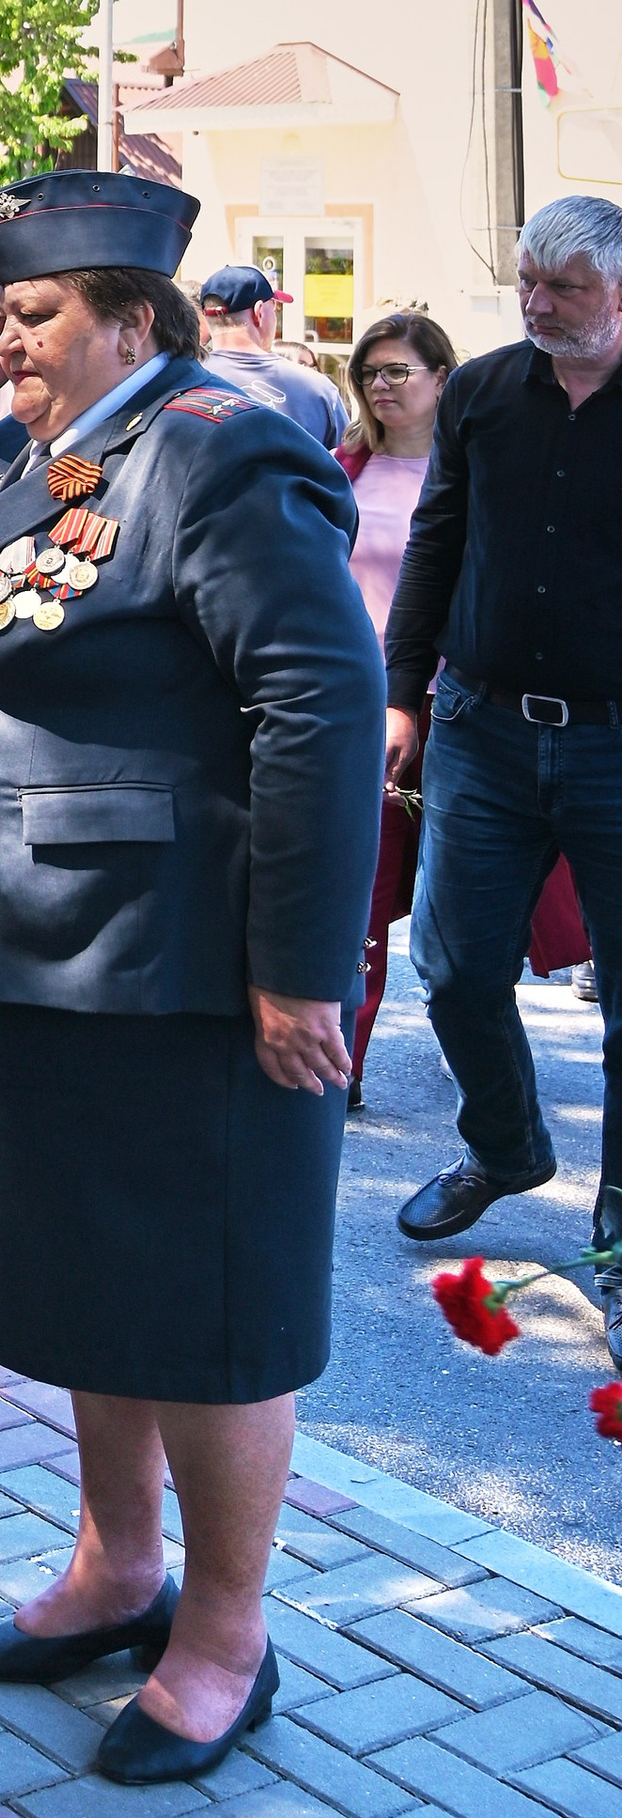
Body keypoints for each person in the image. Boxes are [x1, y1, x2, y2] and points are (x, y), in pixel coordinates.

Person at [0, 171, 381, 1784]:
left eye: (30, 314)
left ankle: (227, 1627)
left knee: (207, 1303)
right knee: (94, 1276)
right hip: (25, 940)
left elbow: (318, 707)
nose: (1, 334)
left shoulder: (224, 451)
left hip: (184, 961)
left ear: (135, 316)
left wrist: (302, 971)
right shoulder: (31, 447)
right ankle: (117, 1562)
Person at [383, 195, 622, 1366]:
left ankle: (617, 1235)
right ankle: (509, 1141)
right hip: (478, 727)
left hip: (616, 740)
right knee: (455, 964)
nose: (534, 303)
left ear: (618, 291)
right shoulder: (480, 390)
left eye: (560, 287)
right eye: (525, 280)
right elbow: (434, 538)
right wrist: (400, 691)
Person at [339, 308, 457, 1106]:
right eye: (370, 373)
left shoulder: (475, 470)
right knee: (359, 892)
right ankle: (342, 1059)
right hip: (358, 709)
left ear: (443, 378)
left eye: (398, 372)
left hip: (457, 714)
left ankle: (478, 1060)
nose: (381, 386)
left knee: (463, 909)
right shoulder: (339, 469)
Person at [195, 266, 346, 449]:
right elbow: (347, 466)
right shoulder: (317, 388)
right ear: (258, 313)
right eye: (274, 308)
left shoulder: (184, 381)